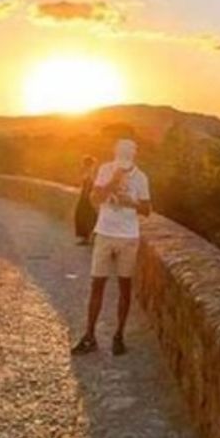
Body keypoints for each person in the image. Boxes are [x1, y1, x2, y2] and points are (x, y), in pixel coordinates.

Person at [72, 139, 152, 357]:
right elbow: (93, 199)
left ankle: (119, 336)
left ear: (133, 155)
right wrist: (112, 182)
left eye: (128, 153)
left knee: (124, 287)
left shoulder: (141, 177)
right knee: (97, 284)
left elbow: (147, 210)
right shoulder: (106, 170)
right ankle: (90, 336)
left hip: (128, 237)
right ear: (115, 152)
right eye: (120, 153)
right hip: (105, 234)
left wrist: (131, 203)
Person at [73, 155, 98, 245]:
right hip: (85, 197)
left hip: (87, 198)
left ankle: (87, 238)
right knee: (84, 216)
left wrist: (87, 196)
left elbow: (90, 186)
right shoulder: (89, 172)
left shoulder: (90, 173)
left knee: (85, 216)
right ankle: (87, 237)